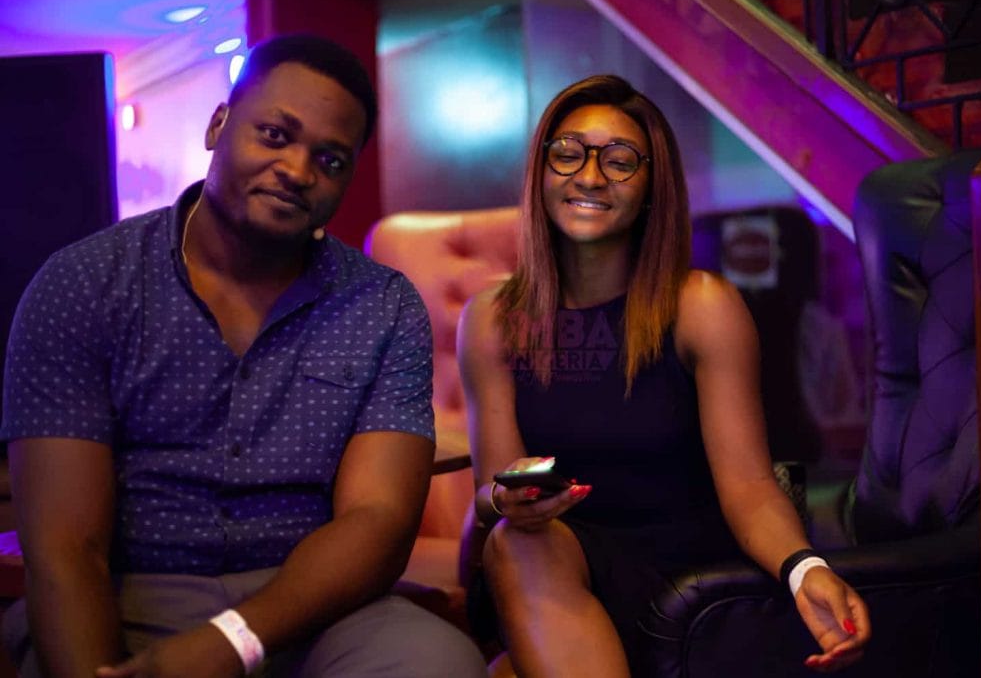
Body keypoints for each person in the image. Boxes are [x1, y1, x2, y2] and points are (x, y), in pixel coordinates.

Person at [0, 34, 486, 678]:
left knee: (437, 662)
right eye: (275, 135)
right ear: (218, 126)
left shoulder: (382, 305)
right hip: (132, 591)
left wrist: (232, 641)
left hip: (313, 600)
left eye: (330, 159)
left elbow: (379, 519)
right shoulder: (83, 284)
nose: (298, 171)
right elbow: (66, 546)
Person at [457, 75, 871, 677]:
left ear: (652, 187)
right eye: (568, 153)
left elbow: (752, 487)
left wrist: (806, 568)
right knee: (517, 541)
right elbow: (492, 488)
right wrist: (506, 500)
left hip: (689, 573)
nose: (590, 177)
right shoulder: (492, 319)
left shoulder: (702, 306)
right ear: (541, 173)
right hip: (554, 566)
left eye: (620, 161)